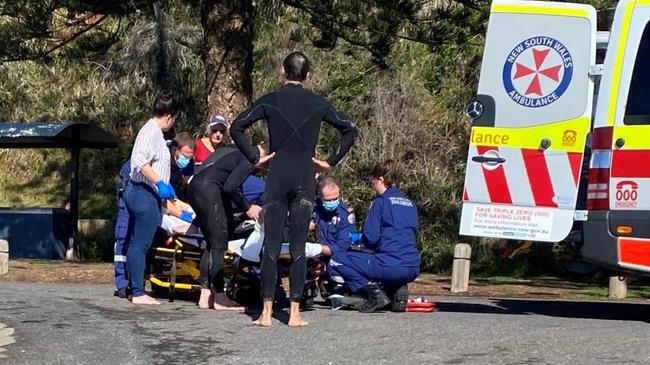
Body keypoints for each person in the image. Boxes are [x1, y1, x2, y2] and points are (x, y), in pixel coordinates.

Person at [230, 51, 357, 327]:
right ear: (308, 75)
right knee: (299, 247)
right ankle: (295, 314)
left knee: (271, 246)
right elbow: (350, 129)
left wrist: (255, 157)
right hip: (304, 177)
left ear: (282, 72)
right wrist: (329, 162)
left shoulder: (271, 100)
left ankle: (265, 314)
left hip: (277, 175)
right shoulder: (318, 103)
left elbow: (237, 126)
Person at [327, 160, 420, 313]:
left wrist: (357, 239)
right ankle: (395, 288)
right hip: (412, 266)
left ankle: (373, 293)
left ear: (381, 179)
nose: (373, 186)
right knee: (383, 260)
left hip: (389, 264)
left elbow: (371, 238)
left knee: (337, 260)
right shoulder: (410, 203)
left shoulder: (380, 202)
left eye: (373, 182)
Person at [113, 132, 196, 298]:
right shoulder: (159, 157)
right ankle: (123, 282)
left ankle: (138, 279)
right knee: (125, 235)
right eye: (184, 155)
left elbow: (181, 190)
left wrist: (190, 209)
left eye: (190, 156)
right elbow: (161, 199)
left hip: (151, 194)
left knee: (146, 238)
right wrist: (181, 213)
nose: (186, 160)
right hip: (133, 188)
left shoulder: (185, 161)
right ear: (175, 150)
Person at [187, 143, 268, 312]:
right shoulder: (250, 156)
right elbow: (231, 187)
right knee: (219, 244)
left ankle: (205, 294)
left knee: (211, 243)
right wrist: (248, 207)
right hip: (209, 190)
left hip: (194, 188)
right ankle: (220, 298)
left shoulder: (232, 148)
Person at [122, 90, 179, 305]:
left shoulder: (156, 134)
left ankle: (136, 287)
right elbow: (139, 161)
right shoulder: (150, 132)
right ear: (169, 116)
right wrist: (159, 182)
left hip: (150, 194)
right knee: (140, 243)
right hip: (142, 192)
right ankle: (137, 291)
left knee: (140, 242)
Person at [312, 176, 355, 257]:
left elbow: (342, 247)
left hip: (334, 258)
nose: (332, 202)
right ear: (320, 197)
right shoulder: (314, 207)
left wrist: (318, 249)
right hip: (310, 257)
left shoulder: (346, 214)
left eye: (335, 199)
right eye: (328, 200)